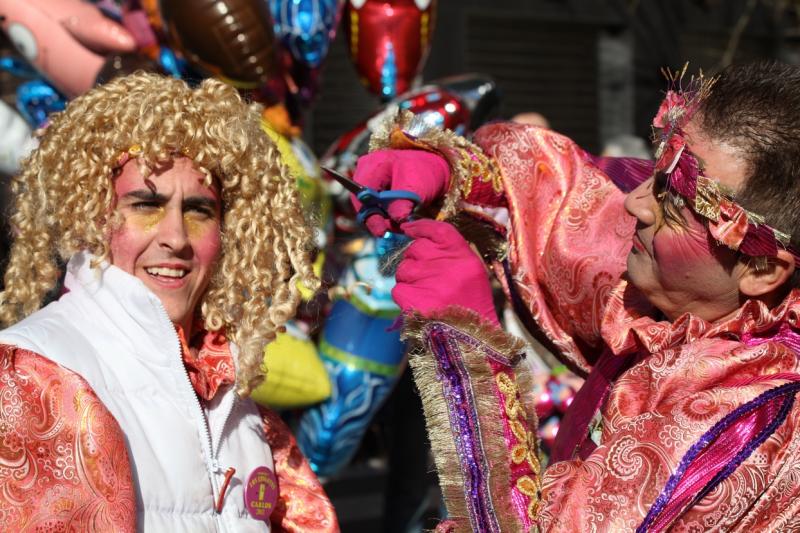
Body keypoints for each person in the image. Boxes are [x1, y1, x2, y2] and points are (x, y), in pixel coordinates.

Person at [350, 61, 800, 531]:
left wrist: (473, 355)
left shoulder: (744, 422)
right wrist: (454, 173)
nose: (635, 202)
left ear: (762, 268)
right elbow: (569, 212)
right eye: (655, 171)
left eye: (673, 200)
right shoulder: (690, 297)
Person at [0, 72, 339, 532]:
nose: (176, 238)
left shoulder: (232, 390)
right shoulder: (38, 374)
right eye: (145, 205)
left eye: (199, 210)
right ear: (90, 215)